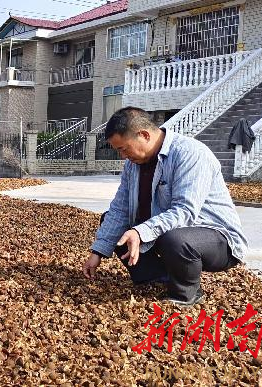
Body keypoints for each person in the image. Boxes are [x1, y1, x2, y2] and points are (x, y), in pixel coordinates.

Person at [82, 107, 248, 307]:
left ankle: (186, 293)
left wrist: (140, 232)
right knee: (114, 222)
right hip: (171, 232)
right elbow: (120, 208)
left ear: (144, 135)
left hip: (217, 239)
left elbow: (185, 212)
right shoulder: (133, 165)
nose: (123, 156)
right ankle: (155, 278)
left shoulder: (190, 154)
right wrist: (98, 251)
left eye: (123, 149)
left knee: (174, 238)